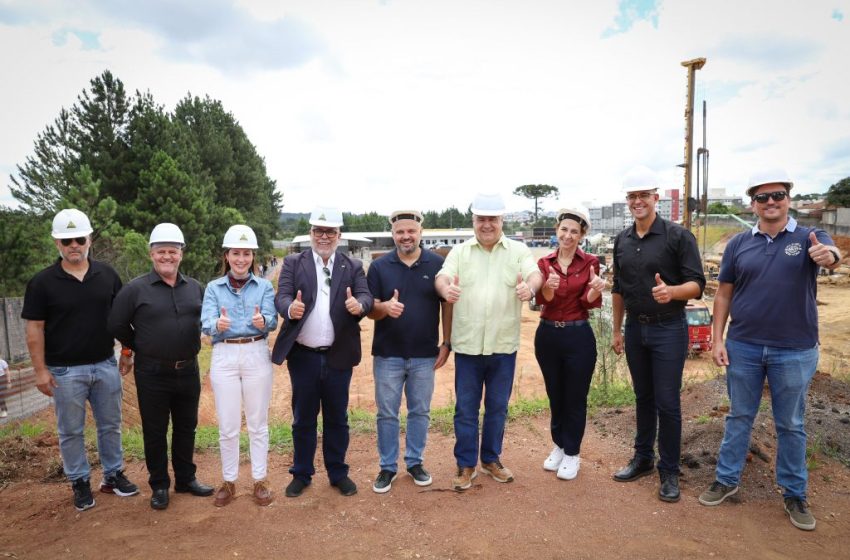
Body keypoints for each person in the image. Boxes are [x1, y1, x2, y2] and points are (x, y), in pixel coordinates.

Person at [698, 168, 841, 531]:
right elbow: (724, 293)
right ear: (753, 205)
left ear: (788, 199)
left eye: (778, 195)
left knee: (790, 423)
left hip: (794, 349)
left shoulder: (809, 237)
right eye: (762, 197)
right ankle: (726, 480)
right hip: (743, 346)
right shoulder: (738, 244)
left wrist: (829, 255)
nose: (771, 202)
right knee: (738, 416)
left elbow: (832, 253)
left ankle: (794, 493)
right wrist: (717, 339)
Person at [21, 208, 138, 511]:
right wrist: (40, 371)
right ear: (57, 243)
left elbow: (123, 317)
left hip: (105, 364)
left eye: (79, 239)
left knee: (110, 425)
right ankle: (80, 481)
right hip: (64, 371)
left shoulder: (107, 275)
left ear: (89, 240)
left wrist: (127, 351)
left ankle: (112, 475)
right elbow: (34, 329)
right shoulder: (42, 283)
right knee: (71, 430)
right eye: (66, 240)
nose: (74, 245)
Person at [610, 167, 705, 503]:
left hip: (668, 328)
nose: (638, 201)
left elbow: (698, 284)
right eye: (632, 196)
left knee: (667, 402)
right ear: (628, 201)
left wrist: (672, 292)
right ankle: (643, 459)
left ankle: (669, 471)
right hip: (636, 328)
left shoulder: (678, 237)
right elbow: (618, 288)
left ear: (655, 197)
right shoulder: (622, 240)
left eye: (643, 195)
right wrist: (617, 329)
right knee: (643, 397)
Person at [435, 193, 542, 491]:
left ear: (501, 221)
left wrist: (530, 289)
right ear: (473, 221)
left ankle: (491, 459)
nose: (486, 225)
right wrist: (445, 290)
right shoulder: (460, 253)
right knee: (465, 409)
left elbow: (535, 275)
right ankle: (466, 464)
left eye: (492, 219)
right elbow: (442, 277)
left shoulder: (518, 250)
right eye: (481, 219)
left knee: (497, 408)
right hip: (468, 347)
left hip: (503, 346)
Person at [108, 223, 214, 510]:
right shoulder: (135, 289)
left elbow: (207, 319)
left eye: (173, 251)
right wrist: (137, 345)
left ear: (181, 254)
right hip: (152, 373)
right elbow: (116, 323)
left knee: (186, 427)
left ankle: (185, 479)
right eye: (161, 251)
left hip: (188, 370)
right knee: (155, 431)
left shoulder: (195, 287)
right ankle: (159, 485)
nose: (167, 256)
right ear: (151, 254)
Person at [272, 206, 373, 498]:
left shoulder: (352, 266)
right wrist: (290, 308)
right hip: (303, 356)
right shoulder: (294, 263)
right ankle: (301, 473)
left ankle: (338, 472)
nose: (324, 236)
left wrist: (360, 306)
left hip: (338, 355)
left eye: (330, 232)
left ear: (339, 235)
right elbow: (282, 296)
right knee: (303, 417)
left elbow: (365, 295)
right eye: (319, 231)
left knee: (337, 418)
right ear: (311, 233)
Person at [367, 210, 452, 493]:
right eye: (400, 232)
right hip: (387, 355)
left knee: (420, 411)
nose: (406, 236)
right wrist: (384, 308)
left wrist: (447, 342)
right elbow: (370, 309)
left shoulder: (437, 264)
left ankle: (415, 462)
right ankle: (387, 467)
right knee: (387, 413)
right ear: (393, 234)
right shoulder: (379, 267)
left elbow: (447, 305)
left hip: (424, 355)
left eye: (411, 231)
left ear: (420, 232)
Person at [201, 225, 278, 507]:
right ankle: (229, 480)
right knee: (228, 423)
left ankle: (260, 479)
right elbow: (206, 323)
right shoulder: (213, 288)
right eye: (236, 253)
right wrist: (217, 325)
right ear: (227, 256)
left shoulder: (264, 286)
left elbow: (272, 320)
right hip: (225, 353)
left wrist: (263, 322)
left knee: (258, 422)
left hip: (256, 351)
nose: (241, 259)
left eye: (246, 254)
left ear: (253, 256)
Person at [534, 208, 605, 481]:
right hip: (548, 336)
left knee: (575, 396)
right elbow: (544, 300)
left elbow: (587, 302)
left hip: (578, 336)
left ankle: (573, 452)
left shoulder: (590, 262)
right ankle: (560, 445)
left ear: (581, 235)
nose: (568, 235)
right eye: (564, 229)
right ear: (557, 230)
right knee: (555, 394)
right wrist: (549, 286)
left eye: (574, 231)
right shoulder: (544, 263)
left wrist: (596, 289)